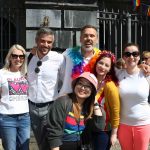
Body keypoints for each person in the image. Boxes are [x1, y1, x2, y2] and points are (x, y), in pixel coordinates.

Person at [27, 27, 65, 150]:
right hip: (31, 108)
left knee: (52, 143)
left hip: (50, 108)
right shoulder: (28, 58)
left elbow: (64, 81)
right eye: (42, 41)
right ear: (36, 41)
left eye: (49, 42)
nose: (45, 45)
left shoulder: (59, 58)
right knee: (41, 143)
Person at [47, 72, 105, 150]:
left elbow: (99, 127)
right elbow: (54, 131)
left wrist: (95, 103)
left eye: (88, 86)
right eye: (80, 84)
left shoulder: (89, 107)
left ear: (92, 91)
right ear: (75, 85)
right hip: (63, 146)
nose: (83, 88)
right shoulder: (62, 102)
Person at [117, 43, 150, 150]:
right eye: (128, 54)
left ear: (139, 57)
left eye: (135, 54)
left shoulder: (147, 74)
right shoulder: (118, 74)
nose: (131, 57)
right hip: (123, 125)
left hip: (143, 124)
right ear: (123, 57)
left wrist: (143, 66)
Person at [0, 44, 30, 150]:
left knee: (24, 147)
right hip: (7, 118)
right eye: (15, 56)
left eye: (21, 56)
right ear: (9, 57)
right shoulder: (2, 74)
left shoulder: (26, 74)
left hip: (24, 118)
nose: (18, 59)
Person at [59, 25, 101, 96]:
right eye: (85, 36)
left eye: (92, 36)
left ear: (97, 40)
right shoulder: (68, 53)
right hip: (68, 100)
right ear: (80, 39)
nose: (88, 38)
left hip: (90, 101)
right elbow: (54, 62)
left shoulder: (101, 58)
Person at [90, 51, 120, 150]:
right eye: (101, 63)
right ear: (96, 63)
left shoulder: (110, 86)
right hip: (89, 127)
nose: (102, 67)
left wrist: (114, 134)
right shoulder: (90, 79)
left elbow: (116, 111)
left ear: (110, 69)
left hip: (103, 130)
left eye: (106, 65)